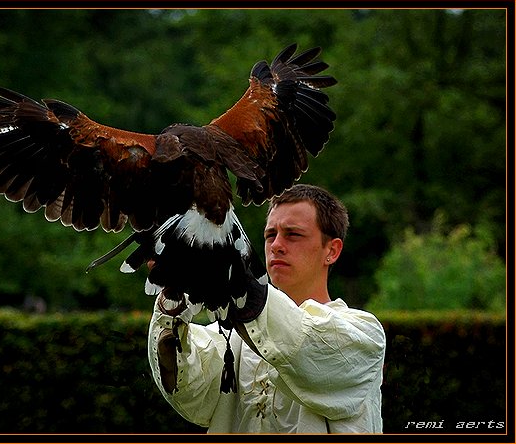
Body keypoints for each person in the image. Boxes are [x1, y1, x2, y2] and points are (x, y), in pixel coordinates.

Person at [147, 184, 386, 433]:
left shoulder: (365, 334)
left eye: (293, 234)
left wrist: (234, 279)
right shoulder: (229, 335)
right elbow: (189, 392)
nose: (276, 245)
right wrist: (175, 295)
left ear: (332, 250)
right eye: (270, 235)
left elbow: (306, 344)